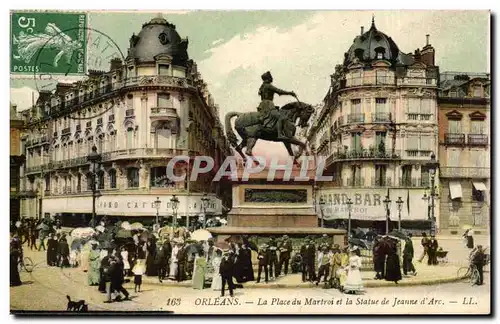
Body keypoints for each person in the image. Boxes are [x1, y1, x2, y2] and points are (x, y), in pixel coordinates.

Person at [257, 71, 297, 140]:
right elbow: (279, 91)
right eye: (270, 77)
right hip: (268, 104)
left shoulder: (262, 87)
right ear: (268, 79)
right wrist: (290, 93)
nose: (272, 78)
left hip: (262, 105)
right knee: (280, 116)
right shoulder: (268, 85)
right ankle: (279, 134)